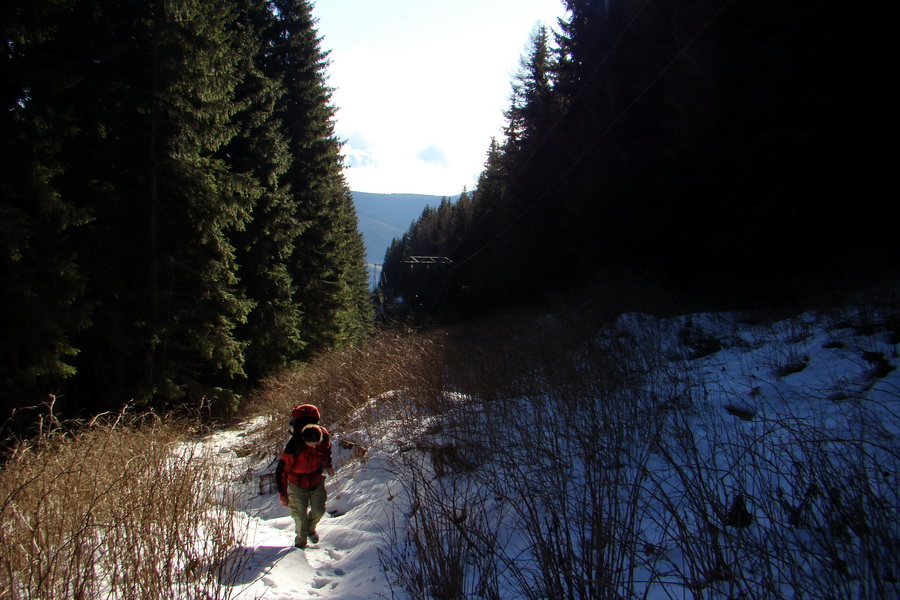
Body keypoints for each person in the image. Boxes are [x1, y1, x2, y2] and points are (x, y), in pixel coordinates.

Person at [275, 404, 335, 549]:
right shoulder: (294, 445)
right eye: (311, 444)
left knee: (319, 510)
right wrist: (283, 494)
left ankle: (310, 529)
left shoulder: (323, 436)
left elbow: (326, 452)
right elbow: (281, 471)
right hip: (297, 482)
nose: (314, 446)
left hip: (316, 479)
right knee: (300, 516)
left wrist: (328, 465)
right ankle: (300, 547)